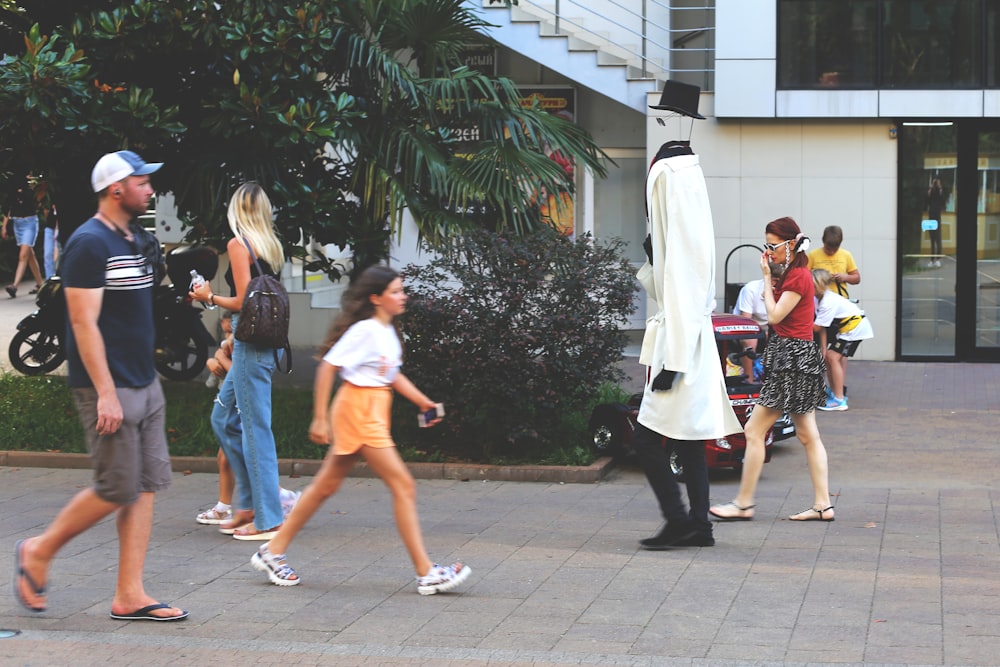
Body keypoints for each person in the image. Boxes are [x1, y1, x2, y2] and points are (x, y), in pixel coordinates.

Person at [12, 150, 188, 621]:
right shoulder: (88, 244)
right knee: (116, 487)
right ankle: (39, 550)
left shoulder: (135, 239)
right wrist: (105, 392)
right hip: (107, 387)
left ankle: (130, 593)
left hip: (144, 381)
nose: (150, 189)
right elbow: (82, 323)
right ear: (116, 189)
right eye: (142, 182)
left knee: (144, 486)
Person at [249, 265, 471, 595]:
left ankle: (272, 551)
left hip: (371, 410)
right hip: (358, 411)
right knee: (404, 485)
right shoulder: (365, 330)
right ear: (376, 298)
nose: (402, 296)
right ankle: (426, 573)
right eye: (395, 291)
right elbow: (327, 367)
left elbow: (391, 375)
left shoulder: (387, 331)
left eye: (401, 290)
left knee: (325, 487)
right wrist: (320, 418)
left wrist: (424, 402)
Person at [633, 80, 743, 550]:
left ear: (665, 119)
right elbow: (685, 267)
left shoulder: (669, 173)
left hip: (682, 338)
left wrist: (672, 360)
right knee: (690, 438)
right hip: (689, 332)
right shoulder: (688, 172)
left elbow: (678, 272)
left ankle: (682, 522)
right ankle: (697, 524)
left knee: (647, 437)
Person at [710, 216, 835, 523]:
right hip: (797, 357)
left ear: (791, 244)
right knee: (808, 436)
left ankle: (743, 504)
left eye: (772, 245)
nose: (768, 251)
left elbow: (775, 317)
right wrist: (772, 275)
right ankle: (823, 505)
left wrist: (765, 278)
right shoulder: (796, 274)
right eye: (766, 245)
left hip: (791, 359)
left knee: (754, 430)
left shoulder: (797, 277)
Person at [189, 182, 287, 541]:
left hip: (253, 348)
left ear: (236, 210)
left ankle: (269, 519)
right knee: (224, 418)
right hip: (262, 344)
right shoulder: (272, 246)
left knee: (255, 430)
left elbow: (246, 301)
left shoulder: (238, 244)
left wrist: (208, 295)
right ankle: (247, 504)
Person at [812, 268, 874, 412]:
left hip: (855, 327)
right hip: (846, 328)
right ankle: (835, 394)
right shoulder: (817, 299)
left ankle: (839, 400)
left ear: (821, 285)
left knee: (833, 357)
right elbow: (822, 329)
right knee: (829, 357)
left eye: (812, 285)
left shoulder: (828, 301)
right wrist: (823, 349)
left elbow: (816, 327)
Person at [3, 173, 45, 298]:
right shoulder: (13, 192)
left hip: (29, 222)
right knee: (29, 255)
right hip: (18, 223)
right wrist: (4, 227)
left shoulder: (31, 191)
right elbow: (8, 210)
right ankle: (40, 284)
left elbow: (39, 200)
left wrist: (37, 185)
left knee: (23, 255)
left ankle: (14, 285)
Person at [807, 225, 859, 299]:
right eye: (828, 249)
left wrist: (845, 277)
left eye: (835, 249)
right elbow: (804, 277)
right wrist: (821, 278)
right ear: (823, 242)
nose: (831, 252)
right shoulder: (812, 255)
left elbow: (857, 278)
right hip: (819, 299)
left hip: (840, 298)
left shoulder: (846, 255)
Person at [733, 277, 769, 379]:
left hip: (770, 326)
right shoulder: (751, 289)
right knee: (750, 340)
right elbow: (746, 320)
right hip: (748, 326)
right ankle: (749, 380)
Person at [925, 177, 947, 266]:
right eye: (935, 182)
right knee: (932, 239)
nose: (935, 184)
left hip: (937, 216)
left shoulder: (940, 191)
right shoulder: (931, 192)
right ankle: (931, 260)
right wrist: (930, 189)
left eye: (937, 182)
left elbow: (943, 202)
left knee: (938, 239)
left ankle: (938, 259)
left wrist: (940, 189)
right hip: (931, 216)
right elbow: (926, 201)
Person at [42, 203, 60, 280]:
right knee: (48, 254)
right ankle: (49, 279)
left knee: (57, 256)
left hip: (61, 227)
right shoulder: (49, 198)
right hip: (49, 227)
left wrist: (57, 230)